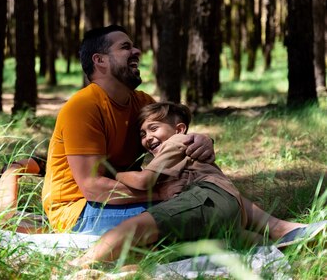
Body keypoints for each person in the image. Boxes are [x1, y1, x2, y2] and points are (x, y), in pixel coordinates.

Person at [71, 102, 326, 266]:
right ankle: (292, 244)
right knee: (172, 247)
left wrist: (116, 174)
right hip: (226, 212)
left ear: (179, 129)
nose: (148, 137)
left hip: (210, 198)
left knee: (134, 227)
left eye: (154, 128)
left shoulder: (176, 144)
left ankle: (79, 265)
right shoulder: (173, 150)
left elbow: (143, 180)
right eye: (142, 134)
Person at [42, 25, 216, 235]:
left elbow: (171, 139)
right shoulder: (83, 107)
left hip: (121, 199)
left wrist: (202, 140)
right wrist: (159, 193)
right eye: (125, 47)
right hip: (77, 210)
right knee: (195, 214)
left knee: (209, 203)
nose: (137, 52)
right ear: (100, 60)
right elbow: (92, 187)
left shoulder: (142, 103)